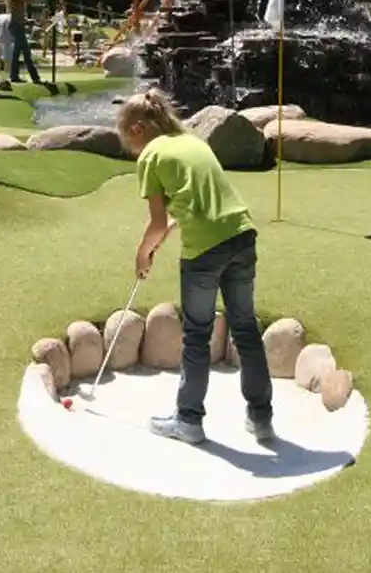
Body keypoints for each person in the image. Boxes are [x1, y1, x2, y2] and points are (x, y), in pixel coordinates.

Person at [116, 88, 274, 446]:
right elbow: (200, 201)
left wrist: (143, 254)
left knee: (197, 335)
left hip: (205, 251)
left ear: (138, 128)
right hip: (241, 234)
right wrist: (167, 233)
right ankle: (261, 419)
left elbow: (157, 222)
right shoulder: (194, 142)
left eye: (129, 136)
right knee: (245, 329)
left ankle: (188, 420)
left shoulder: (151, 156)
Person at [6, 0, 43, 84]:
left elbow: (25, 7)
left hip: (18, 26)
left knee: (17, 52)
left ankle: (14, 76)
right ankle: (35, 78)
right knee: (26, 52)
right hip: (16, 26)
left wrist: (26, 21)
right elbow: (31, 0)